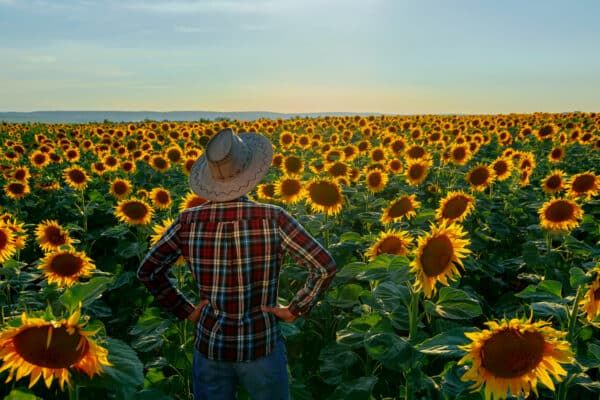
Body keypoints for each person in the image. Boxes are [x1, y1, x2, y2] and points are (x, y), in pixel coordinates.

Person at [136, 128, 337, 400]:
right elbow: (324, 265)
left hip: (210, 346)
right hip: (262, 344)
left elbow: (148, 271)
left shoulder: (188, 221)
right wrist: (296, 308)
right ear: (250, 173)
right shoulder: (272, 217)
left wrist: (185, 309)